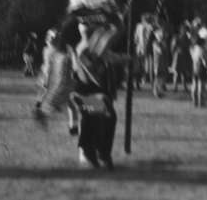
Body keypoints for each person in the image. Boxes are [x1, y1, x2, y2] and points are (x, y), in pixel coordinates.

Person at [72, 17, 126, 170]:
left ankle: (96, 151)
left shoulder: (95, 48)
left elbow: (111, 57)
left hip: (94, 92)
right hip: (85, 93)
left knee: (99, 118)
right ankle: (97, 151)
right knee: (101, 116)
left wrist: (128, 59)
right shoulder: (83, 49)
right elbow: (91, 71)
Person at [33, 29, 78, 136]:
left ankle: (74, 127)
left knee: (68, 103)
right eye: (52, 37)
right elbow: (49, 66)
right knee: (55, 100)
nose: (54, 39)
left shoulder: (52, 50)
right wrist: (45, 78)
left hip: (55, 77)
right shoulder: (52, 51)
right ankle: (41, 112)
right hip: (53, 77)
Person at [133, 14, 154, 89]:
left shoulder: (148, 26)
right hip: (141, 48)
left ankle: (142, 81)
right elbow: (136, 36)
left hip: (144, 48)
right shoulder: (140, 26)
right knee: (140, 66)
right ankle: (138, 82)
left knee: (144, 66)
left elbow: (136, 37)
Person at [190, 36, 207, 108]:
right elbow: (204, 60)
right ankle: (201, 100)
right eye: (205, 43)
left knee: (194, 83)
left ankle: (194, 100)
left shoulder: (194, 49)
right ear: (202, 43)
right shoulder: (202, 50)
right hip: (201, 68)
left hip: (194, 67)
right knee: (201, 85)